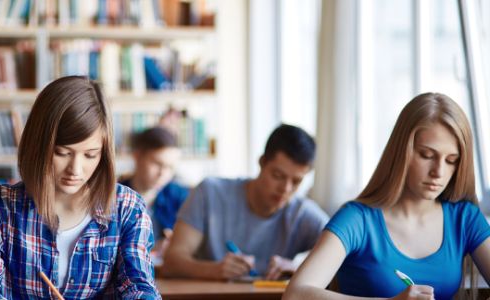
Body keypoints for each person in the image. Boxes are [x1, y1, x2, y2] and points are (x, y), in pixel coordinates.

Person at [0, 76, 160, 299]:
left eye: (90, 155)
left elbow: (139, 286)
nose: (76, 169)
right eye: (62, 153)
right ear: (39, 146)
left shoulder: (128, 208)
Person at [284, 93, 490, 300]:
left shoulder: (465, 218)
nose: (439, 171)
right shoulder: (358, 219)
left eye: (451, 160)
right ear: (402, 152)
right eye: (427, 155)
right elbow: (295, 294)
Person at [163, 124, 329, 280]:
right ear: (262, 162)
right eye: (278, 176)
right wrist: (213, 270)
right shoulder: (210, 192)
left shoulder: (303, 213)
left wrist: (297, 267)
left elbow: (347, 256)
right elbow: (172, 262)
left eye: (296, 182)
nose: (286, 189)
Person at [119, 126, 190, 255]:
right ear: (137, 156)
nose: (163, 173)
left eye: (170, 167)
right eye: (157, 163)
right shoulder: (113, 197)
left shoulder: (181, 197)